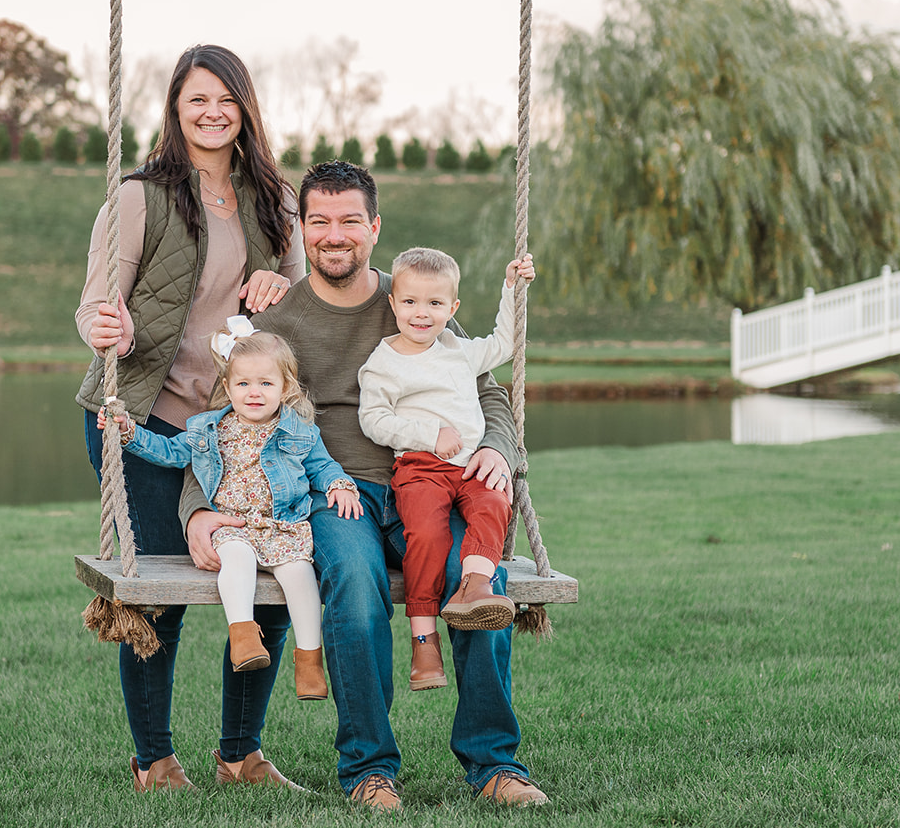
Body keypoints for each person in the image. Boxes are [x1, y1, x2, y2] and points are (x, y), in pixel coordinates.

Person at [181, 161, 549, 809]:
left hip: (430, 482)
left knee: (478, 574)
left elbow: (483, 389)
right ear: (301, 230)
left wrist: (497, 445)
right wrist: (198, 512)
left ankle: (495, 763)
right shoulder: (281, 321)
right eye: (319, 220)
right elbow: (221, 420)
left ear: (373, 227)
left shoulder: (413, 300)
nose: (334, 233)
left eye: (350, 219)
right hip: (334, 492)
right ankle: (369, 769)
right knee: (353, 582)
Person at [76, 44, 304, 792]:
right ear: (175, 107)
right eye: (196, 99)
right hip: (146, 419)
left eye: (225, 99)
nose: (211, 113)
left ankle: (240, 753)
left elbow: (299, 311)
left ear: (245, 108)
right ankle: (155, 759)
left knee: (273, 571)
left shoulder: (274, 200)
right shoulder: (141, 196)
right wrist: (113, 330)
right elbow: (94, 306)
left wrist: (282, 282)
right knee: (165, 590)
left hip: (238, 430)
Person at [100, 320, 363, 703]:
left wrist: (339, 485)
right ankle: (243, 635)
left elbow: (322, 466)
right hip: (233, 525)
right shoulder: (208, 429)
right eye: (243, 384)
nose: (254, 393)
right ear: (227, 388)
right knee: (236, 560)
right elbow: (169, 452)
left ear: (285, 388)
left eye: (265, 384)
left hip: (281, 526)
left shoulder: (299, 431)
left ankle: (308, 660)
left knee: (301, 577)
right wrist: (129, 433)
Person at [357, 247, 537, 692]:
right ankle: (424, 639)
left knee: (495, 500)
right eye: (412, 302)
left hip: (468, 466)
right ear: (393, 303)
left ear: (452, 309)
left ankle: (475, 588)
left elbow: (505, 344)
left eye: (435, 304)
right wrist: (428, 433)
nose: (422, 314)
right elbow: (373, 420)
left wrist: (511, 288)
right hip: (420, 468)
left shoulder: (457, 350)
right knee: (429, 536)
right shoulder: (384, 362)